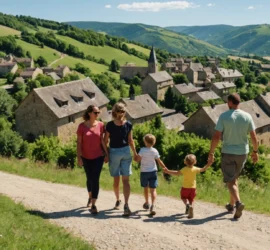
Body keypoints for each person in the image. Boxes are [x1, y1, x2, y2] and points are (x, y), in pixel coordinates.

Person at [208, 93, 258, 219]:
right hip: (243, 153)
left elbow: (217, 136)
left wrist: (211, 152)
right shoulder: (247, 116)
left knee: (230, 182)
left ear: (230, 102)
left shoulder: (224, 116)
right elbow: (253, 136)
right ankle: (231, 205)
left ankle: (238, 203)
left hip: (228, 153)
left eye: (227, 101)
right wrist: (255, 151)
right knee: (234, 179)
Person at [104, 102, 138, 216]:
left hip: (114, 152)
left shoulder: (109, 125)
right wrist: (135, 153)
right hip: (126, 151)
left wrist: (106, 154)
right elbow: (131, 140)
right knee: (126, 180)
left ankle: (118, 200)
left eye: (122, 112)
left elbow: (105, 141)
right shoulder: (128, 124)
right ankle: (126, 204)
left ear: (114, 112)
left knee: (116, 179)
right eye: (121, 111)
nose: (122, 114)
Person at [77, 105, 109, 214]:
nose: (97, 114)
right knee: (89, 178)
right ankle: (90, 196)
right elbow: (79, 143)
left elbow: (102, 141)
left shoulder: (100, 125)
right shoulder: (81, 126)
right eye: (95, 112)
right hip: (86, 157)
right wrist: (79, 157)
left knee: (95, 179)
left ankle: (94, 204)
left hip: (98, 157)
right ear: (89, 113)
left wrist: (106, 154)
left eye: (98, 112)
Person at [164, 154, 211, 219]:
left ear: (185, 162)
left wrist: (168, 171)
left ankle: (187, 205)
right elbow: (203, 169)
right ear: (195, 162)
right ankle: (191, 206)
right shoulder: (195, 169)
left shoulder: (184, 169)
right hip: (193, 188)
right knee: (192, 199)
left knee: (183, 197)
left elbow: (177, 173)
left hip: (185, 187)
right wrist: (209, 163)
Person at [135, 134, 167, 215]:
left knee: (145, 188)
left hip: (144, 172)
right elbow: (159, 161)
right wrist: (165, 168)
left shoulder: (142, 150)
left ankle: (146, 203)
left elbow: (137, 160)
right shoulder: (155, 151)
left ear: (145, 142)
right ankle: (153, 205)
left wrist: (135, 156)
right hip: (153, 171)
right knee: (153, 189)